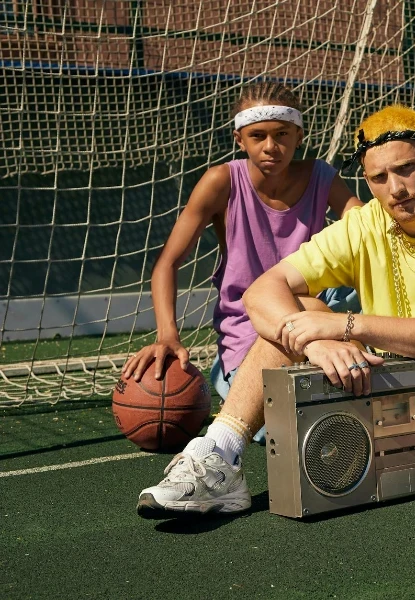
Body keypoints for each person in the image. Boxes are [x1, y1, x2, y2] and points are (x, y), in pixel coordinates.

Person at [137, 105, 415, 573]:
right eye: (378, 178)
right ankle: (220, 458)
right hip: (376, 397)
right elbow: (262, 291)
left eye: (407, 168)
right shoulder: (363, 224)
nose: (395, 189)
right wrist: (313, 341)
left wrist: (346, 326)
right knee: (298, 317)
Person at [121, 81, 362, 443]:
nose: (270, 146)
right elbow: (167, 263)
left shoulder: (321, 177)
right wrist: (167, 334)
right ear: (240, 139)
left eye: (282, 134)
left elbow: (366, 230)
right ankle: (230, 374)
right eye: (258, 135)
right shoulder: (222, 181)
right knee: (284, 431)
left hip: (316, 316)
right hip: (254, 331)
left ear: (299, 134)